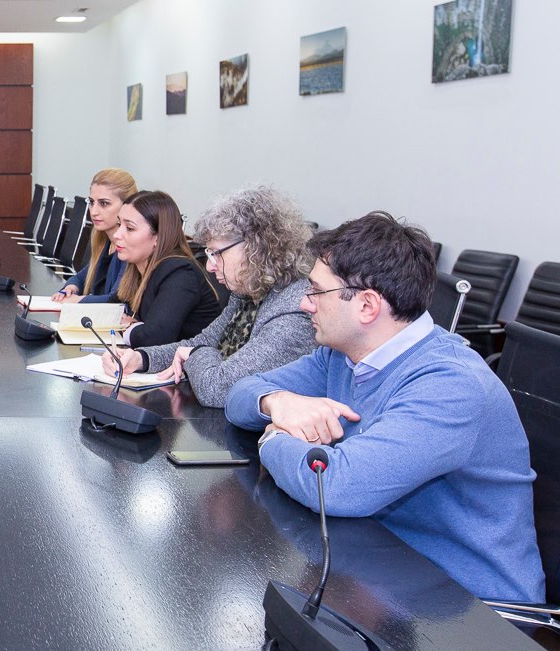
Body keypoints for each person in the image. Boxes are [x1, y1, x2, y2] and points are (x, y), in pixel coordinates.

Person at [225, 211, 544, 602]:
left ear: (367, 306)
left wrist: (273, 438)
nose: (305, 305)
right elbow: (239, 395)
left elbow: (336, 486)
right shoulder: (342, 355)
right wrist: (278, 402)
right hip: (378, 568)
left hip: (473, 607)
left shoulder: (452, 385)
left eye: (316, 292)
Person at [101, 187, 315, 407]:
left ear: (256, 248)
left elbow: (217, 388)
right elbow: (201, 343)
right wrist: (141, 359)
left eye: (216, 254)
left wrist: (195, 354)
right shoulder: (247, 294)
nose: (210, 267)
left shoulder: (294, 310)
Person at [104, 190, 222, 347]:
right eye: (119, 225)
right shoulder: (138, 267)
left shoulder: (180, 273)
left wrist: (129, 328)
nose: (117, 234)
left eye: (130, 228)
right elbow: (112, 308)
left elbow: (154, 338)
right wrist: (134, 326)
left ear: (158, 237)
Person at [50, 168, 138, 303]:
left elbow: (116, 299)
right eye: (91, 202)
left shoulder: (131, 246)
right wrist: (71, 287)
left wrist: (79, 301)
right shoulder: (105, 241)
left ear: (127, 206)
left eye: (104, 203)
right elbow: (83, 276)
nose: (94, 212)